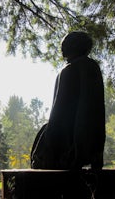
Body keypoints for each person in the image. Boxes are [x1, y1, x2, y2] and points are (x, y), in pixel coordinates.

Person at [31, 31, 106, 170]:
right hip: (89, 135)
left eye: (65, 44)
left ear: (75, 46)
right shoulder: (92, 66)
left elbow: (58, 110)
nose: (62, 48)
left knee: (41, 149)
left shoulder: (69, 70)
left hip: (70, 135)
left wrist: (52, 139)